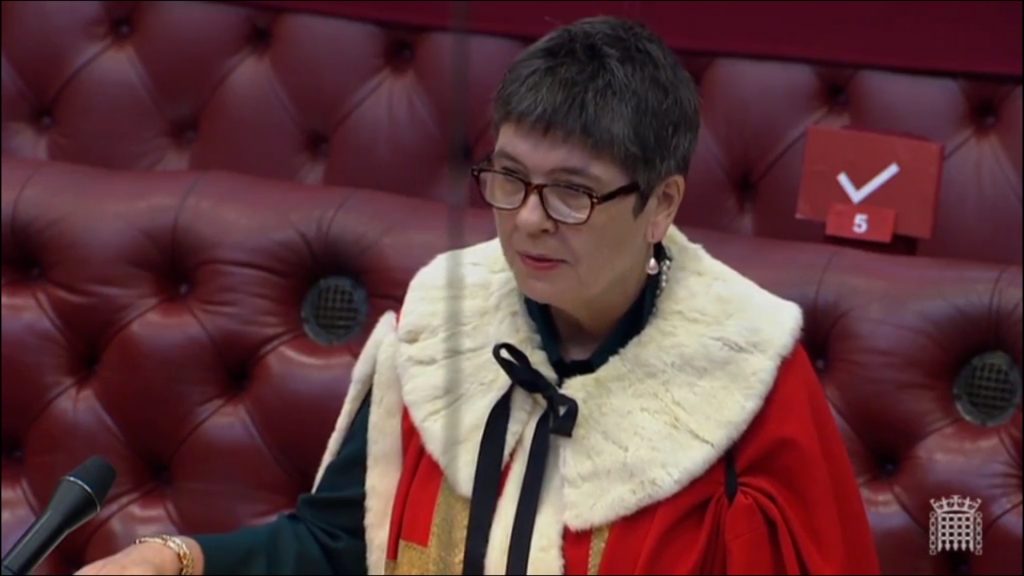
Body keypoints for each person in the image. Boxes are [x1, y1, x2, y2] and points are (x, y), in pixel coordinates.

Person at [76, 15, 880, 576]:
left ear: (661, 207)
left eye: (572, 193)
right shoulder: (445, 319)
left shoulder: (747, 384)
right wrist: (177, 559)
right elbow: (337, 546)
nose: (528, 221)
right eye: (510, 178)